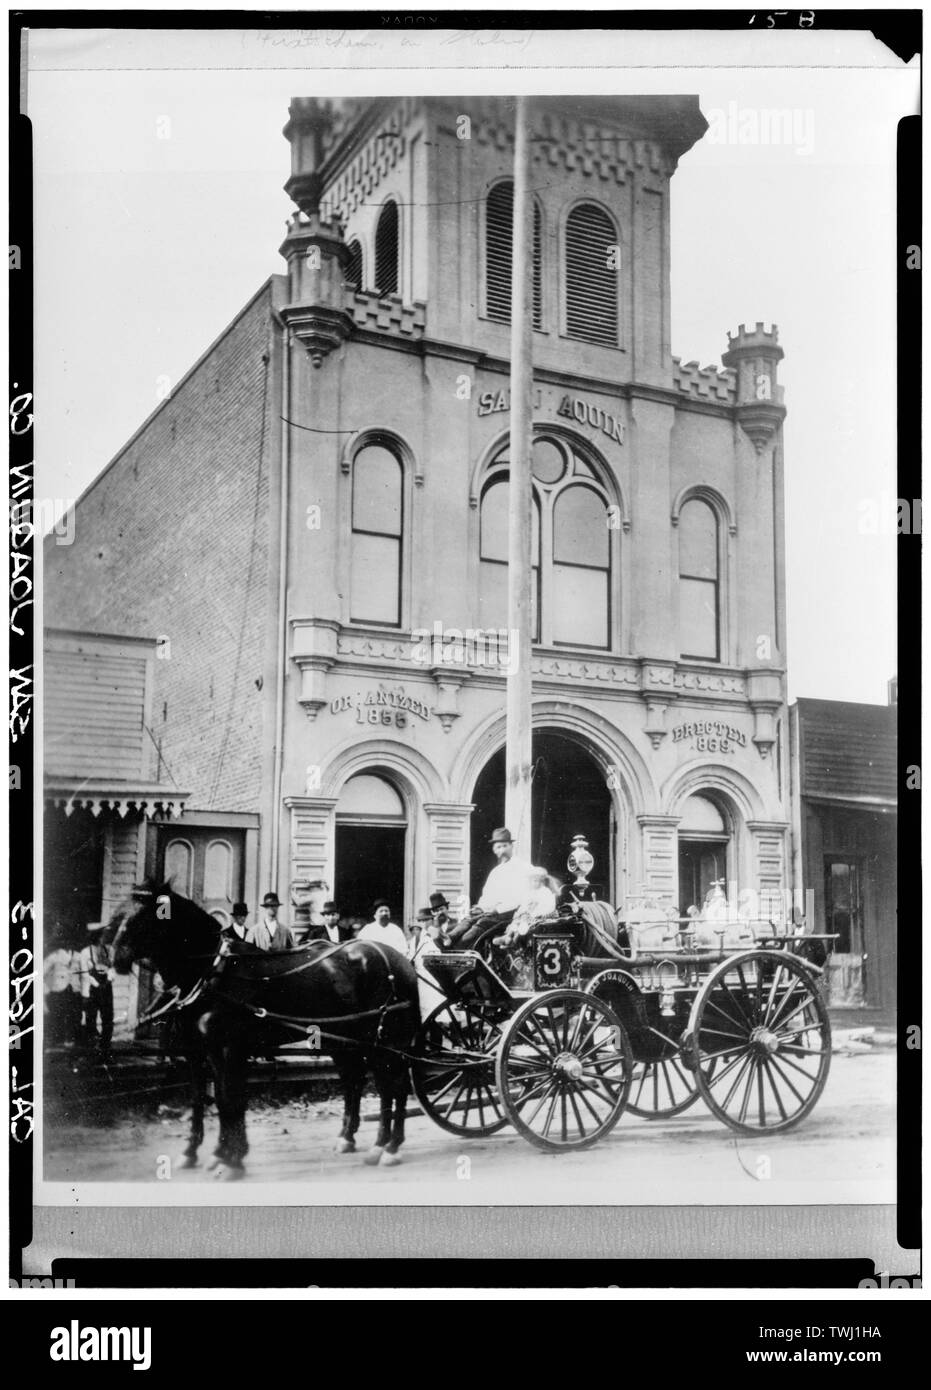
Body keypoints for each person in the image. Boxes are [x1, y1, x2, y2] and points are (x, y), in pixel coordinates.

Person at [444, 827, 532, 948]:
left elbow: (521, 897)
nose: (502, 851)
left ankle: (458, 947)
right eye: (498, 847)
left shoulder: (523, 867)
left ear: (512, 846)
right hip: (491, 913)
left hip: (509, 913)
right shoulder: (495, 872)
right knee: (469, 919)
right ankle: (449, 938)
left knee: (481, 923)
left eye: (505, 846)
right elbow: (487, 896)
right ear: (494, 850)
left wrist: (497, 909)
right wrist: (480, 907)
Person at [496, 867, 558, 949]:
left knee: (523, 926)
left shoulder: (545, 892)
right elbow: (524, 905)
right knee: (516, 923)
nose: (537, 883)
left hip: (538, 917)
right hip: (526, 915)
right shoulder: (529, 893)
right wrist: (520, 913)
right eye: (535, 881)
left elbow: (548, 907)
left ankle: (514, 941)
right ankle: (507, 937)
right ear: (530, 881)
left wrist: (534, 914)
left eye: (540, 881)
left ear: (543, 881)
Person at [78, 922, 114, 1061]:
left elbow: (111, 967)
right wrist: (97, 984)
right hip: (92, 989)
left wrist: (109, 979)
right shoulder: (85, 952)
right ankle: (91, 1052)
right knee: (91, 1020)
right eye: (101, 935)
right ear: (95, 937)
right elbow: (84, 973)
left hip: (106, 988)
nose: (104, 938)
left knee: (108, 1019)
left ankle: (105, 1050)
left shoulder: (108, 950)